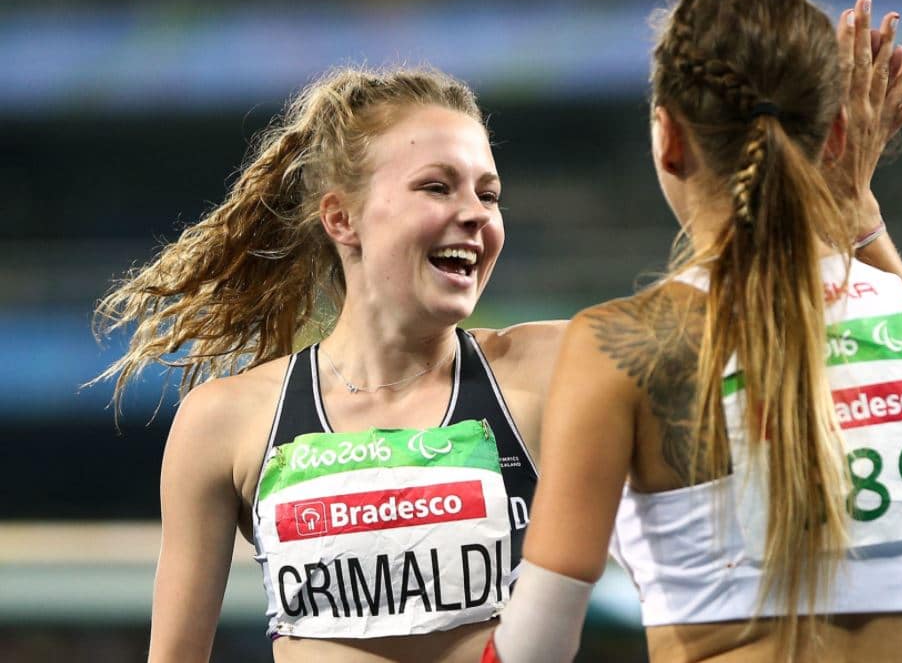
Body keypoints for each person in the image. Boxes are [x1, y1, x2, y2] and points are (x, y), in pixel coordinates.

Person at [486, 0, 902, 662]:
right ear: (836, 135)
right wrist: (858, 216)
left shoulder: (621, 348)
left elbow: (535, 643)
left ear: (668, 138)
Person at [93, 66, 563, 663]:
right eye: (438, 187)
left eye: (488, 194)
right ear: (342, 218)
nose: (476, 214)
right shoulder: (226, 422)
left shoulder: (547, 369)